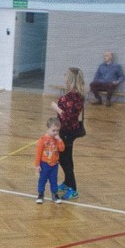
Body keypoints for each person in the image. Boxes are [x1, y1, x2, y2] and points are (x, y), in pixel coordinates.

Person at [50, 67, 85, 201]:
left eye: (66, 74)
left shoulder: (73, 96)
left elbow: (67, 117)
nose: (64, 76)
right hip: (68, 131)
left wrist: (56, 108)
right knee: (66, 158)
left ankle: (73, 189)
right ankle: (67, 183)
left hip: (67, 132)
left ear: (71, 78)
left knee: (65, 160)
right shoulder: (76, 95)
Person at [34, 117, 65, 205]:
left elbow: (62, 149)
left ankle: (54, 194)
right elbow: (38, 153)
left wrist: (59, 140)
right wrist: (37, 165)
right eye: (53, 130)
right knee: (42, 180)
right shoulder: (42, 140)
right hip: (44, 164)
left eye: (57, 131)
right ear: (48, 129)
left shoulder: (57, 140)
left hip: (54, 165)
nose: (55, 133)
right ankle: (40, 194)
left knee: (54, 180)